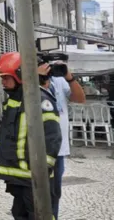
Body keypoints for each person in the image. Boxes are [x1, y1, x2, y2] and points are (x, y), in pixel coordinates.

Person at [0, 52, 62, 220]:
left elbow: (53, 138)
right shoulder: (13, 101)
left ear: (19, 75)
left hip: (33, 179)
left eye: (6, 77)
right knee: (20, 214)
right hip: (19, 178)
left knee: (39, 216)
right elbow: (5, 133)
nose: (3, 82)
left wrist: (42, 170)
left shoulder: (40, 101)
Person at [40, 61, 85, 218]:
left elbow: (80, 99)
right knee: (34, 192)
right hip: (37, 148)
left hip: (58, 149)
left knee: (54, 192)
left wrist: (69, 77)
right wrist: (38, 77)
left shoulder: (59, 81)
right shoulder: (30, 80)